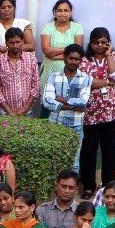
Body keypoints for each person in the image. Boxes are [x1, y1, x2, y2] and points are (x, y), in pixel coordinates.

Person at [79, 28, 115, 190]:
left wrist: (108, 55)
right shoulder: (84, 60)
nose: (99, 45)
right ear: (90, 43)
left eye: (103, 42)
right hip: (90, 113)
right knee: (89, 150)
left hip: (111, 113)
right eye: (96, 42)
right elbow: (86, 82)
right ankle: (88, 185)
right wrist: (107, 82)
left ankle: (109, 185)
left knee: (109, 150)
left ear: (109, 43)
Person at [43, 44, 91, 173]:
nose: (73, 62)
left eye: (77, 59)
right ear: (64, 58)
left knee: (74, 164)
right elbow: (47, 101)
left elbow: (83, 102)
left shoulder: (85, 78)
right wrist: (71, 106)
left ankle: (72, 193)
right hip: (55, 124)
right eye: (71, 58)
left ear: (81, 61)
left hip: (76, 126)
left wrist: (60, 99)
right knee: (54, 160)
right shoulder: (53, 77)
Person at [38, 0, 85, 106]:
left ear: (70, 12)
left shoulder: (77, 27)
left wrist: (53, 54)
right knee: (49, 103)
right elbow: (46, 50)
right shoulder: (47, 27)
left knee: (69, 103)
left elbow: (78, 50)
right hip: (49, 71)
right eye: (59, 10)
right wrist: (69, 51)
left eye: (66, 10)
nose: (62, 13)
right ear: (54, 12)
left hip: (71, 72)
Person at [0, 27, 39, 118]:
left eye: (18, 42)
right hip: (5, 112)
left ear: (23, 41)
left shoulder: (31, 59)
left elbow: (36, 87)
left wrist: (24, 109)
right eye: (11, 43)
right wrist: (9, 111)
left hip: (27, 111)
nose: (15, 46)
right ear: (6, 43)